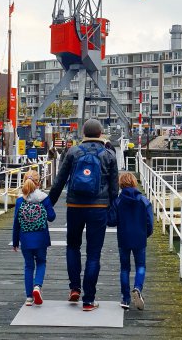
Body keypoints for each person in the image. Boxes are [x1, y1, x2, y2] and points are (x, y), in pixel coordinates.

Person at [48, 118, 118, 312]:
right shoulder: (109, 154)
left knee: (73, 247)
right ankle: (89, 300)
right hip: (99, 208)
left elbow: (59, 181)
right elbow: (114, 188)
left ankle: (74, 288)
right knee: (94, 254)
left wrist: (48, 205)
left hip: (74, 205)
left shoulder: (73, 152)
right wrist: (114, 211)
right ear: (101, 134)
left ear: (83, 133)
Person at [12, 169, 56, 307]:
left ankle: (29, 297)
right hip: (41, 237)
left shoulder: (20, 200)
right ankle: (37, 286)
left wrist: (15, 242)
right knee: (41, 262)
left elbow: (16, 222)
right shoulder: (43, 198)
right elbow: (52, 217)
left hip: (25, 238)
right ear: (39, 182)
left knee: (29, 266)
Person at [113, 172, 153, 310]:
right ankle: (137, 287)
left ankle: (125, 298)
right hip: (139, 237)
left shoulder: (118, 201)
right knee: (140, 266)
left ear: (121, 184)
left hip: (123, 237)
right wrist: (146, 234)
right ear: (134, 183)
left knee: (125, 268)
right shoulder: (144, 200)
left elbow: (112, 220)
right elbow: (150, 223)